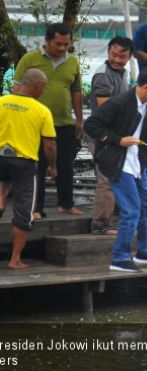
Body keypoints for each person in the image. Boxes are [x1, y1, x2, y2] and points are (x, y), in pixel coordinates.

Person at [84, 68, 147, 273]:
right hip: (117, 163)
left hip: (137, 162)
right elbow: (91, 126)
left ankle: (146, 252)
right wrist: (119, 140)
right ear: (145, 87)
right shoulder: (118, 103)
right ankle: (120, 257)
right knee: (131, 209)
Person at [13, 22, 83, 218]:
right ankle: (36, 208)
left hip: (63, 122)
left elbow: (76, 91)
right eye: (58, 44)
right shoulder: (30, 59)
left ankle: (66, 204)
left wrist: (79, 119)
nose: (62, 48)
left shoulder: (72, 62)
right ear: (47, 41)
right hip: (35, 123)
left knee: (65, 164)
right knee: (38, 165)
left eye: (66, 44)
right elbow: (17, 89)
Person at [0, 69, 57, 269]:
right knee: (24, 212)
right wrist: (52, 166)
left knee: (2, 186)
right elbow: (49, 145)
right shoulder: (41, 111)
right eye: (44, 87)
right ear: (37, 86)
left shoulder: (1, 102)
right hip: (24, 163)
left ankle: (0, 200)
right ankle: (15, 260)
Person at [88, 36, 135, 235]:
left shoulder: (122, 73)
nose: (117, 59)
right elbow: (105, 108)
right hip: (103, 135)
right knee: (106, 180)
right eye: (113, 55)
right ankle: (99, 225)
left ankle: (110, 218)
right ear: (108, 52)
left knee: (116, 177)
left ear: (130, 57)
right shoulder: (103, 76)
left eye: (122, 56)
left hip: (116, 134)